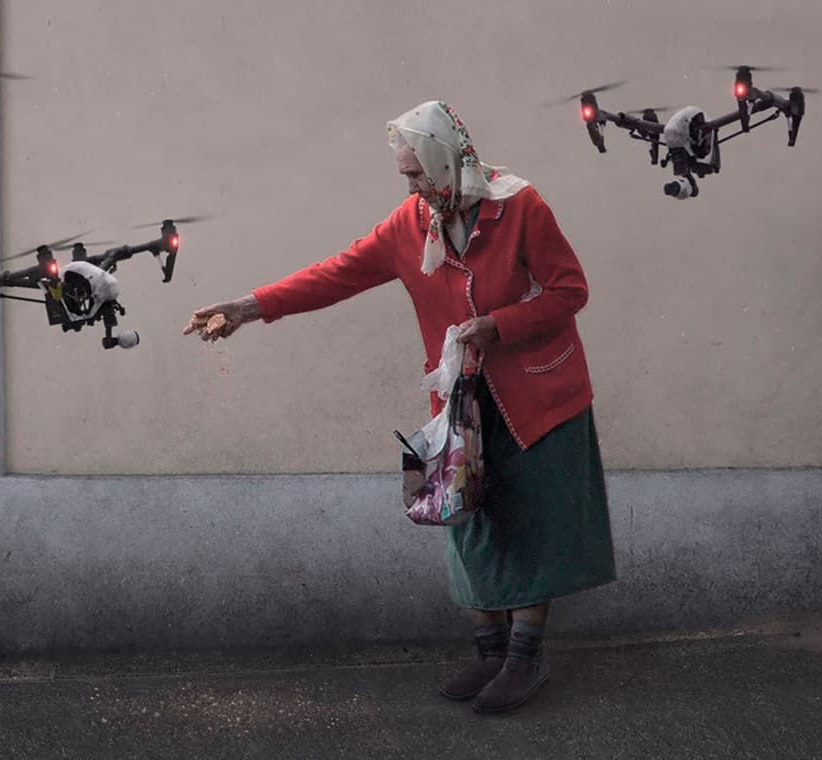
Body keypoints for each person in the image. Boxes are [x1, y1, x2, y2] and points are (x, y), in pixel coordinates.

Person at [183, 100, 616, 715]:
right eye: (406, 175)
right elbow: (336, 274)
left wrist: (498, 324)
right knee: (466, 519)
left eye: (417, 172)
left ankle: (525, 658)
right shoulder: (412, 224)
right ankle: (490, 652)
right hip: (461, 403)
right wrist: (246, 308)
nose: (410, 186)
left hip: (535, 394)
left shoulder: (520, 207)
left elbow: (572, 290)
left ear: (447, 160)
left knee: (526, 526)